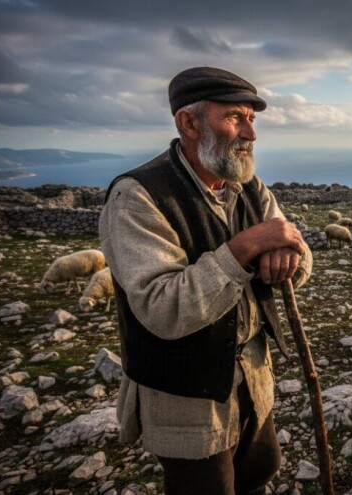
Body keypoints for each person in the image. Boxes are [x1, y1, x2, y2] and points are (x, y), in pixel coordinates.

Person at [99, 66, 313, 495]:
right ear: (189, 122)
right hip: (187, 401)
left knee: (261, 470)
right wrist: (245, 248)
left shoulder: (249, 187)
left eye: (252, 119)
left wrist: (289, 257)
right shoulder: (138, 198)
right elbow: (162, 307)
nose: (250, 133)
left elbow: (298, 255)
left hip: (252, 380)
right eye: (235, 117)